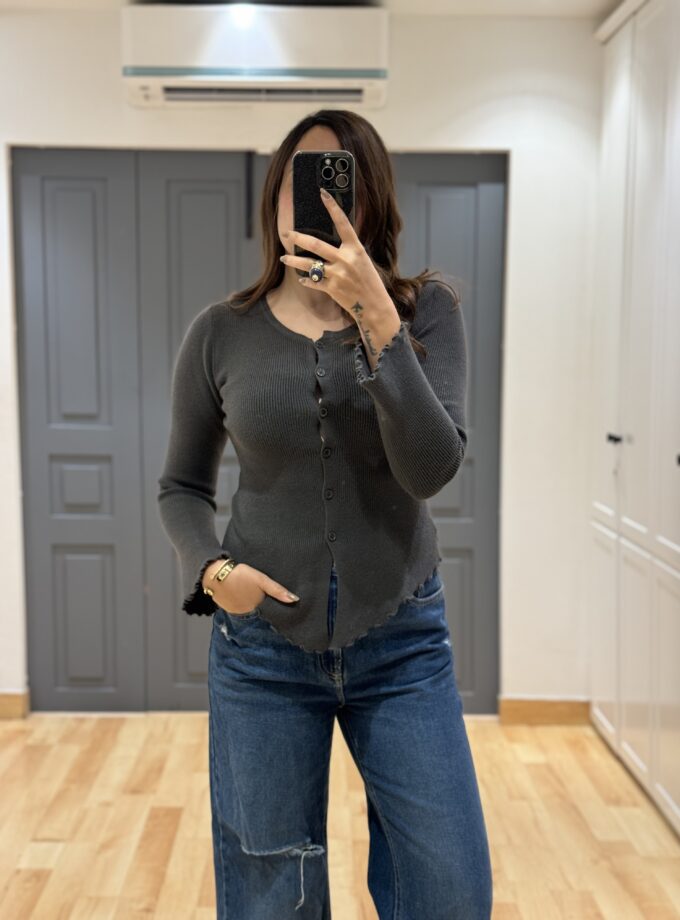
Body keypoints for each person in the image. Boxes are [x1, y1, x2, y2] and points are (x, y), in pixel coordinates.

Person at [157, 109, 493, 919]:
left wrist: (379, 321)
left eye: (341, 182)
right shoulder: (221, 333)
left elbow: (431, 469)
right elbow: (181, 486)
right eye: (302, 181)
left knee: (449, 891)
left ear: (370, 201)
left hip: (403, 645)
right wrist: (213, 573)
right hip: (263, 653)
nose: (319, 202)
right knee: (273, 894)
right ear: (276, 194)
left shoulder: (425, 312)